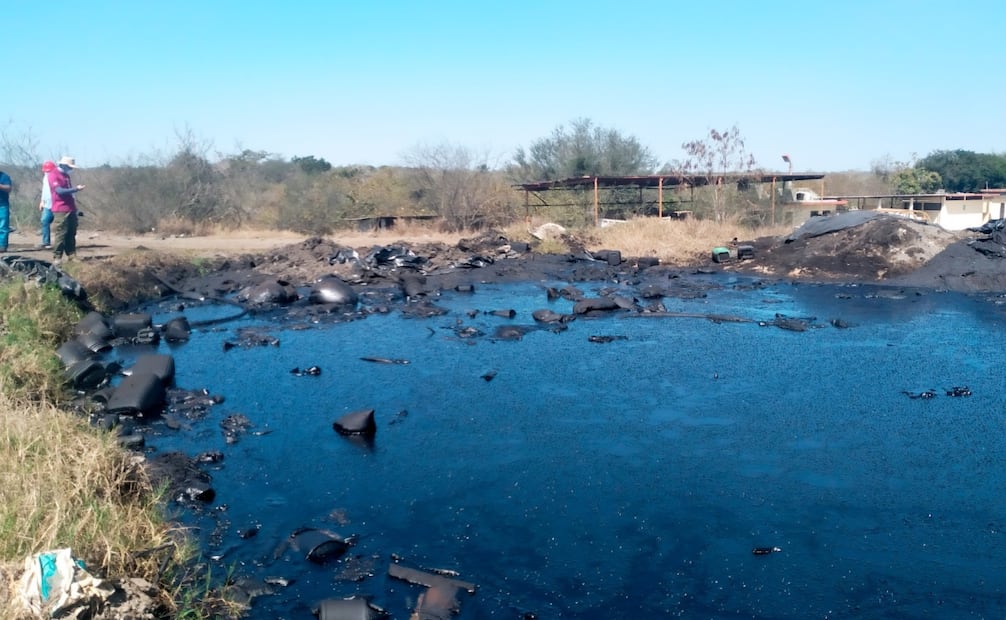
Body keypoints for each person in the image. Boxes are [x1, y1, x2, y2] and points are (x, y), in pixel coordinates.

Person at [47, 156, 85, 262]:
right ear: (63, 165)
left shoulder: (66, 176)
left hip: (70, 207)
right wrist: (76, 189)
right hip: (60, 208)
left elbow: (70, 194)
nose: (71, 169)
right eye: (69, 167)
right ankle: (57, 257)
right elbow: (59, 191)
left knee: (71, 232)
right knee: (61, 233)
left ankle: (71, 255)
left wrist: (76, 208)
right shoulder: (53, 175)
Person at [39, 161, 55, 248]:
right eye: (46, 171)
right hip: (47, 204)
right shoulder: (45, 178)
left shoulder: (57, 177)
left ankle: (62, 243)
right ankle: (46, 242)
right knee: (44, 221)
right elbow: (44, 191)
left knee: (60, 224)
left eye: (49, 171)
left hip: (57, 204)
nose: (47, 172)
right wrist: (42, 201)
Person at [0, 167, 11, 252]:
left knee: (3, 226)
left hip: (2, 205)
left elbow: (8, 188)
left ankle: (2, 245)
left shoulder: (4, 177)